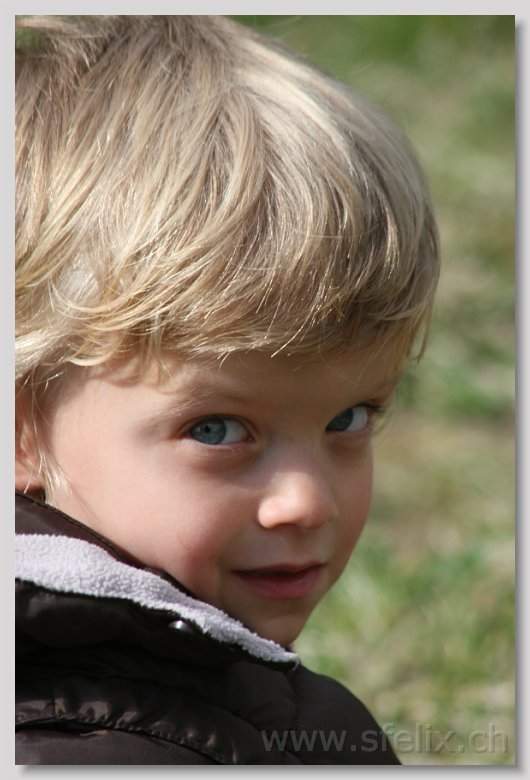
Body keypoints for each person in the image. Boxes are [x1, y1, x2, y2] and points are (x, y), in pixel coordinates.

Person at [15, 15, 440, 765]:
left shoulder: (192, 691)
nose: (307, 502)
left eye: (349, 417)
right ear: (20, 426)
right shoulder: (82, 747)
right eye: (216, 429)